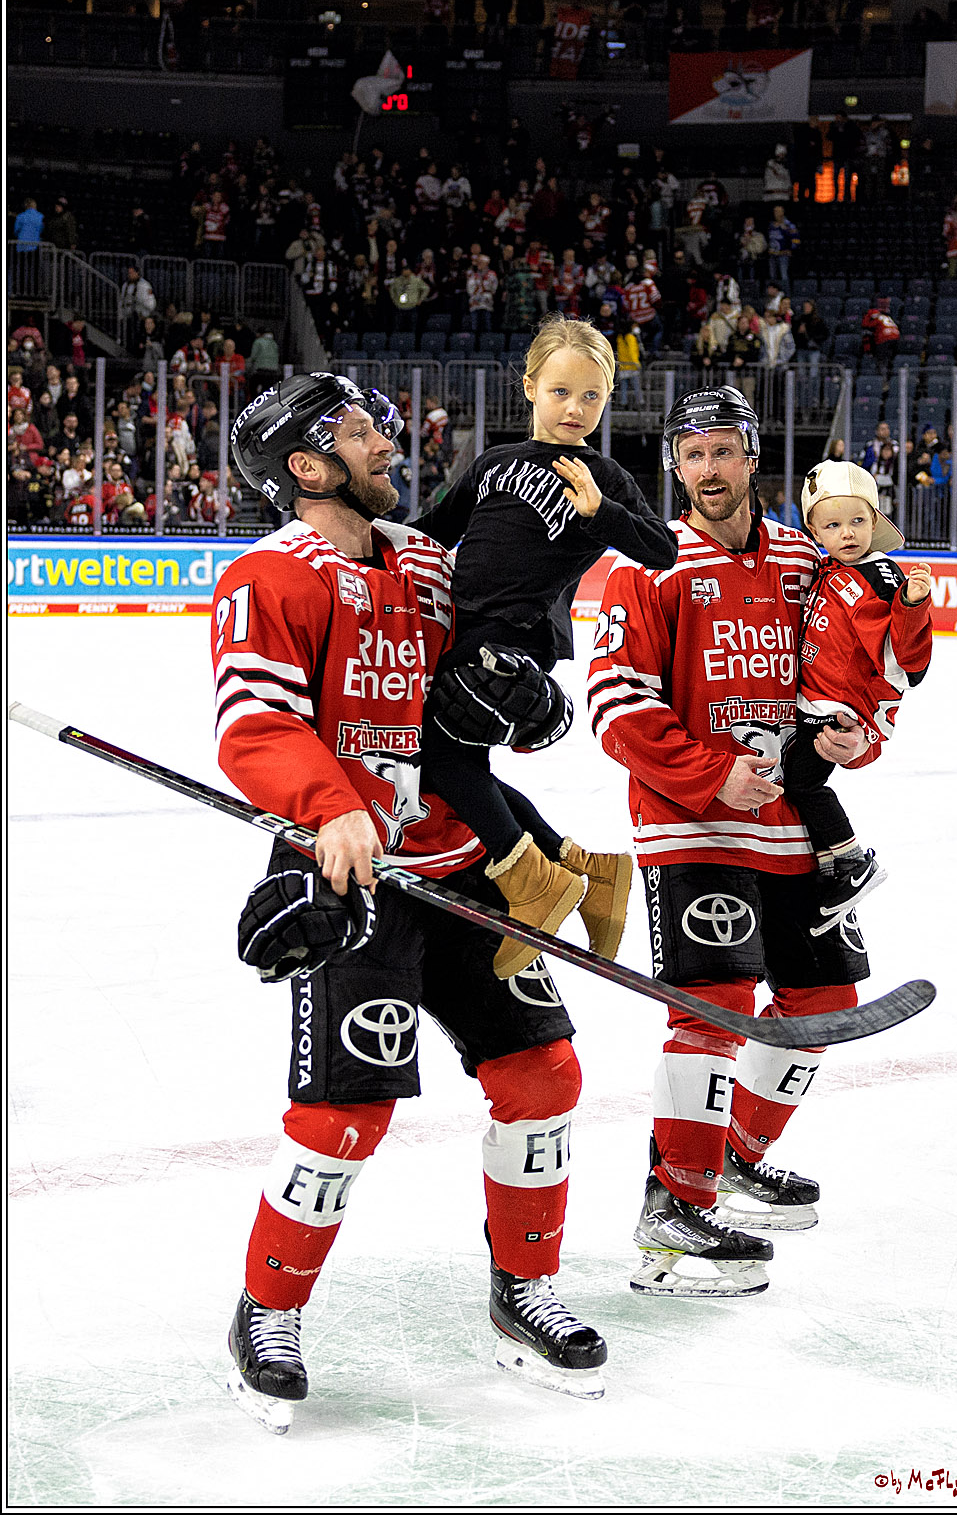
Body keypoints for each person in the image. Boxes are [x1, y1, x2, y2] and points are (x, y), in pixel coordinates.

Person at [215, 371, 608, 1432]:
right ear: (307, 465)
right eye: (360, 431)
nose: (391, 441)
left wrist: (529, 705)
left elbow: (496, 688)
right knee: (346, 1113)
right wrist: (323, 808)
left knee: (544, 1074)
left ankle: (523, 1287)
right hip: (350, 875)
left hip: (453, 863)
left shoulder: (432, 565)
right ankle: (270, 1307)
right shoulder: (271, 577)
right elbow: (254, 722)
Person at [587, 385, 877, 1300]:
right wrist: (711, 772)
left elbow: (853, 666)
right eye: (693, 453)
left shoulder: (803, 557)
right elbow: (615, 701)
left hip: (793, 823)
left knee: (825, 998)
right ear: (674, 465)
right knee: (713, 1007)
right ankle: (673, 1212)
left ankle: (738, 1159)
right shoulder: (651, 560)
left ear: (754, 456)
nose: (709, 469)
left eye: (725, 450)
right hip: (690, 821)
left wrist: (853, 733)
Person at [414, 315, 677, 980]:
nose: (575, 408)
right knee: (451, 766)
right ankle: (589, 871)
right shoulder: (494, 463)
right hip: (457, 633)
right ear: (530, 387)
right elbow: (428, 530)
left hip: (511, 643)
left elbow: (664, 549)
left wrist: (602, 515)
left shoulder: (603, 477)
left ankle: (537, 881)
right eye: (561, 392)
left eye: (591, 396)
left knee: (442, 760)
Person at [784, 461, 933, 927]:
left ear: (875, 519)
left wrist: (911, 604)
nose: (847, 533)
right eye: (832, 524)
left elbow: (909, 662)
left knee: (802, 781)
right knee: (794, 778)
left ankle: (850, 862)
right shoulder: (827, 567)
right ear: (813, 529)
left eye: (857, 521)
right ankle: (830, 866)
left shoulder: (880, 576)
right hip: (816, 701)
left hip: (839, 710)